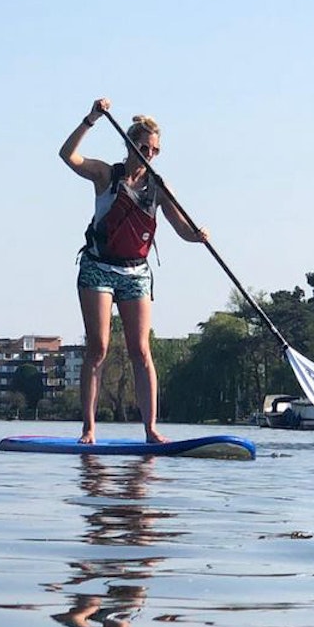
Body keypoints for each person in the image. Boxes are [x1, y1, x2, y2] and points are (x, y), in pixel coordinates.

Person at [59, 97, 208, 444]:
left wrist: (198, 237)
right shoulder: (106, 175)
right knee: (98, 348)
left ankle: (151, 429)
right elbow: (67, 156)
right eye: (144, 147)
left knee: (141, 350)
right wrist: (91, 119)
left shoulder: (159, 187)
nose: (149, 154)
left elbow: (181, 229)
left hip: (135, 272)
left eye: (155, 150)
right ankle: (89, 429)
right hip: (98, 268)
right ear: (129, 145)